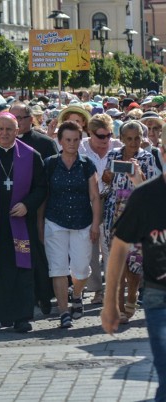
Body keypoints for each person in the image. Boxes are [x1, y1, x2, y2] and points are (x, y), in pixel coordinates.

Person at [101, 125, 166, 402]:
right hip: (159, 296)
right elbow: (118, 248)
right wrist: (110, 304)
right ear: (163, 152)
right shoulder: (146, 196)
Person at [0, 112, 47, 332]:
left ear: (17, 130)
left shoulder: (31, 156)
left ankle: (22, 317)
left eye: (9, 129)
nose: (4, 133)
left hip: (20, 223)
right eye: (0, 129)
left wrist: (27, 204)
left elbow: (41, 187)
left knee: (21, 270)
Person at [43, 121, 101, 329]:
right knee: (57, 268)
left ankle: (76, 294)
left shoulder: (86, 164)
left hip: (82, 221)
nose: (72, 144)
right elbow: (44, 196)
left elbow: (95, 197)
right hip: (55, 221)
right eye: (68, 140)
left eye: (76, 140)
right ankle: (63, 311)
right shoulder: (49, 164)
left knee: (81, 269)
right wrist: (41, 225)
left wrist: (95, 224)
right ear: (60, 141)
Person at [101, 120, 159, 324]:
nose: (134, 142)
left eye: (137, 138)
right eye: (129, 138)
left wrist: (137, 174)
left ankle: (132, 296)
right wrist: (108, 176)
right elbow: (106, 181)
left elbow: (149, 186)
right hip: (114, 211)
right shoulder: (113, 155)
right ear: (122, 139)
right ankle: (119, 304)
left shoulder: (147, 157)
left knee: (135, 261)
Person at [9, 101, 57, 315]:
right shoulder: (2, 142)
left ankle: (44, 295)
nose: (16, 123)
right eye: (13, 118)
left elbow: (51, 177)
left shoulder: (44, 143)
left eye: (20, 118)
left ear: (30, 119)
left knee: (40, 253)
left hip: (39, 207)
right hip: (12, 209)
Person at [80, 113, 123, 304]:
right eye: (100, 136)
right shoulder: (81, 148)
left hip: (112, 201)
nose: (105, 140)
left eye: (108, 135)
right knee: (90, 247)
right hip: (87, 202)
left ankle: (112, 289)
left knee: (110, 247)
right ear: (90, 133)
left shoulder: (118, 148)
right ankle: (96, 289)